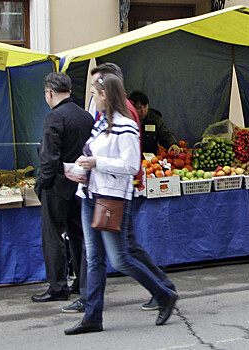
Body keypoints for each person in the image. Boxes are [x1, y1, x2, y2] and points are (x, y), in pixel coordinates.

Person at [64, 73, 178, 335]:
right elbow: (92, 151)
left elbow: (130, 165)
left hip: (112, 198)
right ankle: (92, 318)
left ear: (105, 94)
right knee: (94, 259)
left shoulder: (126, 126)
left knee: (120, 258)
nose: (92, 95)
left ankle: (163, 294)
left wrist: (96, 163)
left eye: (95, 91)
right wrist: (82, 164)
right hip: (90, 194)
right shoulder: (101, 123)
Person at [32, 72, 94, 302]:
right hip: (80, 183)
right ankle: (81, 281)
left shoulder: (54, 117)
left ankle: (58, 287)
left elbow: (49, 157)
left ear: (49, 92)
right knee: (78, 234)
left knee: (53, 235)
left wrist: (41, 184)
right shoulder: (85, 116)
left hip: (57, 184)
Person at [128, 90, 182, 156]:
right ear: (131, 107)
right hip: (131, 157)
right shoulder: (127, 120)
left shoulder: (154, 118)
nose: (143, 111)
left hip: (150, 160)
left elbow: (164, 134)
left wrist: (173, 144)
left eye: (145, 106)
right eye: (139, 108)